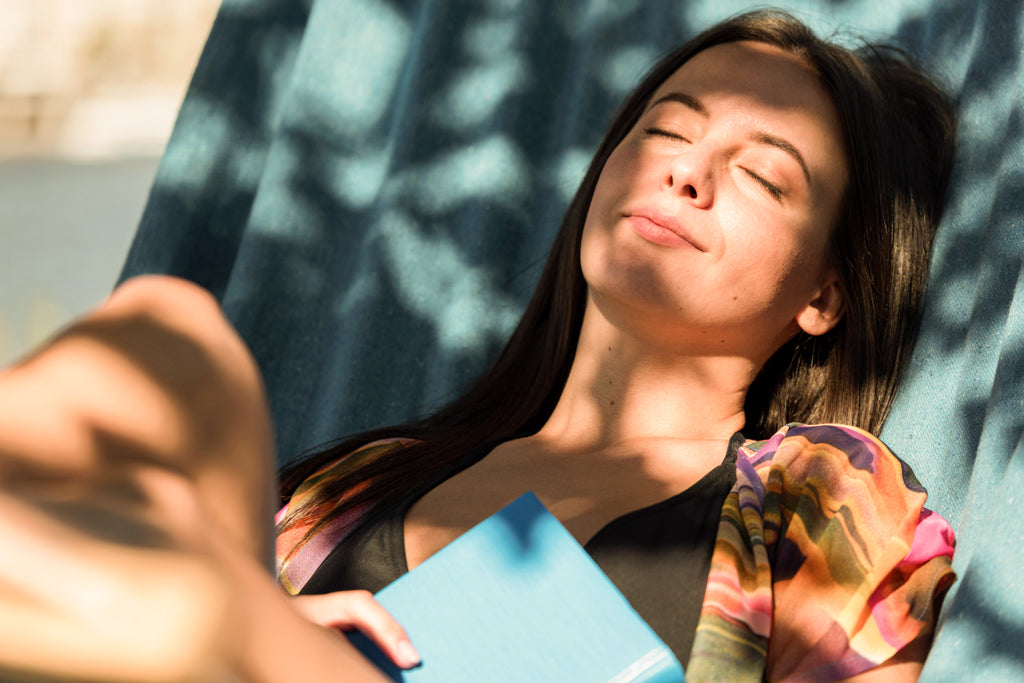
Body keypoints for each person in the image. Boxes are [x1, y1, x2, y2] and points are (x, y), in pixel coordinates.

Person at [0, 8, 956, 683]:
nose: (687, 173)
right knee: (165, 328)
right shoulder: (358, 485)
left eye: (761, 175)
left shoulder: (821, 496)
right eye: (666, 129)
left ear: (827, 294)